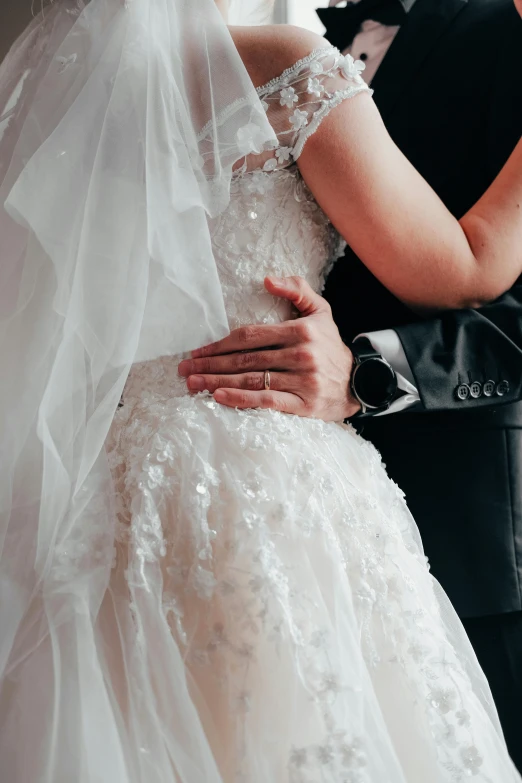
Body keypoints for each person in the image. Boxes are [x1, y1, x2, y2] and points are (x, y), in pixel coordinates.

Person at [1, 0, 522, 781]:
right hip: (267, 483)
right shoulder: (286, 58)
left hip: (98, 493)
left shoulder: (51, 86)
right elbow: (470, 267)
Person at [191, 0, 522, 770]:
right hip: (248, 515)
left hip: (460, 530)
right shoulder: (292, 48)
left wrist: (370, 371)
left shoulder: (503, 38)